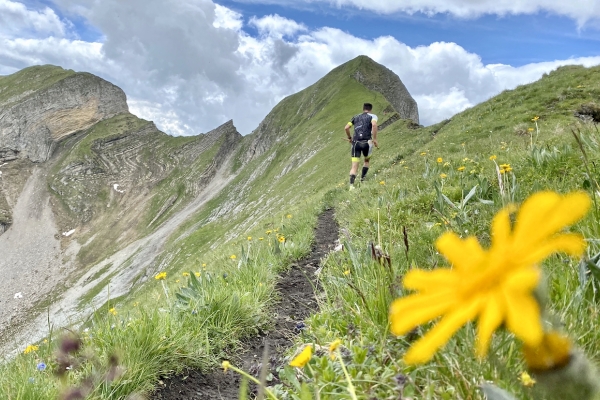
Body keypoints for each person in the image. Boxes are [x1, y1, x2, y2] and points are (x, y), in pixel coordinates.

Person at [344, 103, 378, 188]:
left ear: (363, 109)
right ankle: (363, 180)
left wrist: (349, 137)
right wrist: (375, 139)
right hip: (367, 142)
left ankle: (351, 186)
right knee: (366, 161)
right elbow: (374, 125)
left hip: (356, 143)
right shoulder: (373, 116)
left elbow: (346, 128)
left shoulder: (355, 117)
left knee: (354, 165)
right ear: (370, 109)